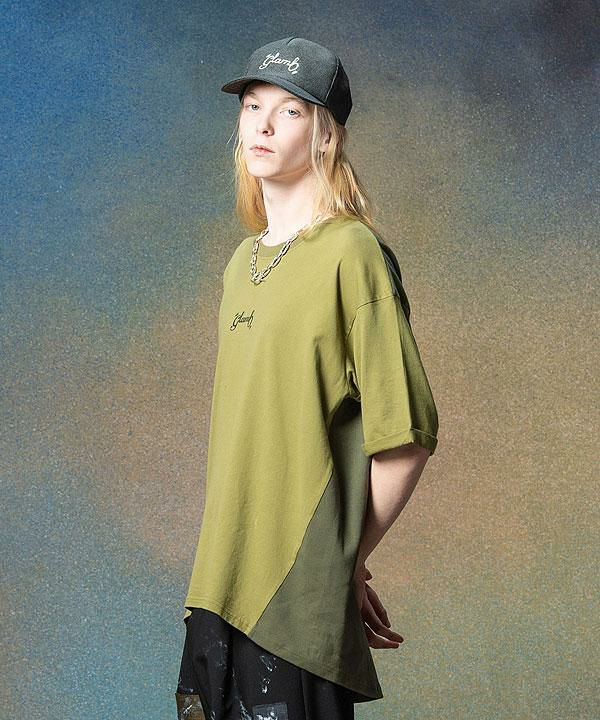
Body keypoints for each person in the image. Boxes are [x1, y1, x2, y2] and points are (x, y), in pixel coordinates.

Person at [175, 36, 439, 720]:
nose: (262, 125)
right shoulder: (241, 265)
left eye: (289, 111)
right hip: (216, 586)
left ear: (326, 135)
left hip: (293, 604)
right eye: (252, 106)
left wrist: (343, 560)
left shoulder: (352, 253)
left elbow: (405, 437)